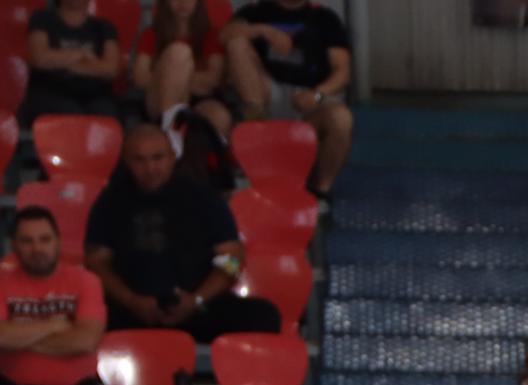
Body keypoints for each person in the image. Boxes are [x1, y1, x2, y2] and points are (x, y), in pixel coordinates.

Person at [85, 125, 283, 342]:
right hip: (132, 309)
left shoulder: (203, 198)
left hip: (198, 307)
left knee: (263, 316)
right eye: (139, 160)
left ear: (172, 157)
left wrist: (197, 299)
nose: (150, 168)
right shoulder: (110, 201)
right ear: (126, 161)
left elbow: (233, 259)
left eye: (157, 158)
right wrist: (131, 300)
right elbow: (96, 262)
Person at [224, 0, 355, 198]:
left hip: (308, 101)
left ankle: (319, 190)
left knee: (341, 119)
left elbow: (343, 72)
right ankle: (256, 140)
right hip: (264, 96)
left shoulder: (325, 18)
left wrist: (317, 94)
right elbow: (225, 35)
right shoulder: (255, 11)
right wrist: (264, 31)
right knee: (237, 43)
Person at [0, 207, 107, 385]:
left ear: (58, 242)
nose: (37, 249)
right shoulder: (2, 282)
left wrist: (19, 339)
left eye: (45, 239)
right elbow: (2, 337)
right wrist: (54, 325)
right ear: (14, 245)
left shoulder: (87, 281)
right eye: (27, 241)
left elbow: (85, 342)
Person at [134, 0, 234, 135]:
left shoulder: (211, 34)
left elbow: (213, 79)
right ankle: (169, 132)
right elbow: (140, 77)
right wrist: (178, 78)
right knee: (179, 52)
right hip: (160, 97)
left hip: (201, 100)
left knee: (219, 117)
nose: (183, 2)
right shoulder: (151, 34)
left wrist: (175, 78)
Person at [19, 0, 122, 123]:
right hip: (50, 93)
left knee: (107, 115)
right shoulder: (42, 19)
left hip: (95, 96)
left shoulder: (104, 27)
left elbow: (110, 69)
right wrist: (82, 54)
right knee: (70, 113)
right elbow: (38, 58)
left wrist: (59, 62)